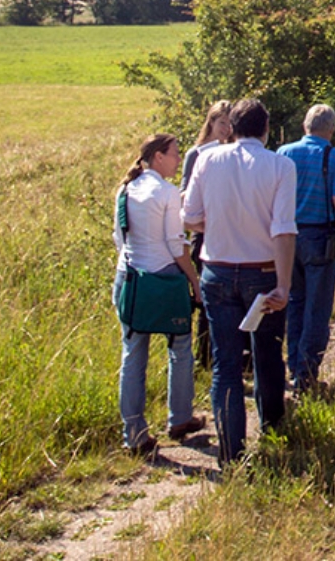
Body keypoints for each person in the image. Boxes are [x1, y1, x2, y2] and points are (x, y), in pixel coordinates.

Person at [182, 98, 296, 465]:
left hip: (216, 268)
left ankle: (231, 453)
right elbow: (282, 229)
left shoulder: (207, 159)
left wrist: (215, 224)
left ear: (231, 127)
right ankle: (273, 429)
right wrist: (284, 284)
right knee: (267, 355)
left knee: (225, 363)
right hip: (261, 271)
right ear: (266, 128)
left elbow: (190, 216)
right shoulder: (280, 165)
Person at [114, 133, 206, 456]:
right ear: (157, 158)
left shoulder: (124, 191)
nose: (178, 160)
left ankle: (134, 433)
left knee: (133, 355)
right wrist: (195, 282)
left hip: (130, 279)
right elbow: (177, 245)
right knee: (180, 345)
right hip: (164, 279)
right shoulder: (167, 193)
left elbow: (119, 239)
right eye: (174, 154)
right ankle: (179, 417)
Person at [277, 103, 335, 391]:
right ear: (330, 128)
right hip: (320, 237)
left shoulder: (284, 153)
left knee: (294, 301)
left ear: (306, 125)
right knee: (317, 307)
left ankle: (293, 363)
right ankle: (307, 372)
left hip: (286, 237)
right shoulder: (334, 155)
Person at [180, 101, 234, 369]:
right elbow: (184, 194)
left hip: (229, 231)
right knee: (205, 295)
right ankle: (204, 355)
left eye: (229, 123)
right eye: (221, 122)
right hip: (203, 232)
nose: (226, 129)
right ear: (211, 123)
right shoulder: (197, 153)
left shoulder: (234, 152)